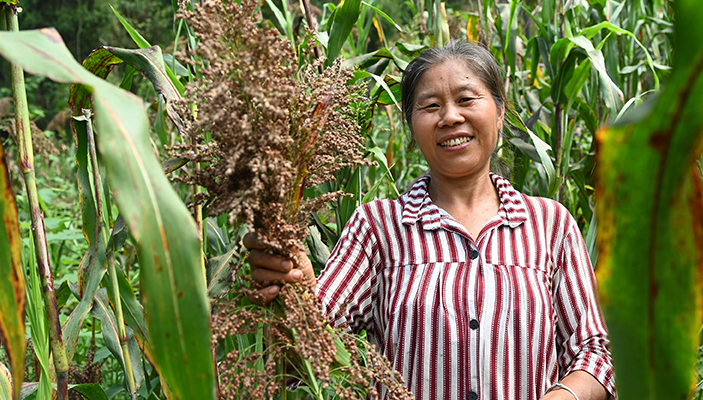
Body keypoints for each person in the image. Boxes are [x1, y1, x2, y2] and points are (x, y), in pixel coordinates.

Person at [244, 40, 615, 400]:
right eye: (430, 105)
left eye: (467, 99)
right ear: (411, 125)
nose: (451, 117)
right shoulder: (378, 227)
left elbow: (596, 352)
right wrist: (297, 290)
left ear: (500, 112)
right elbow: (304, 353)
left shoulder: (549, 225)